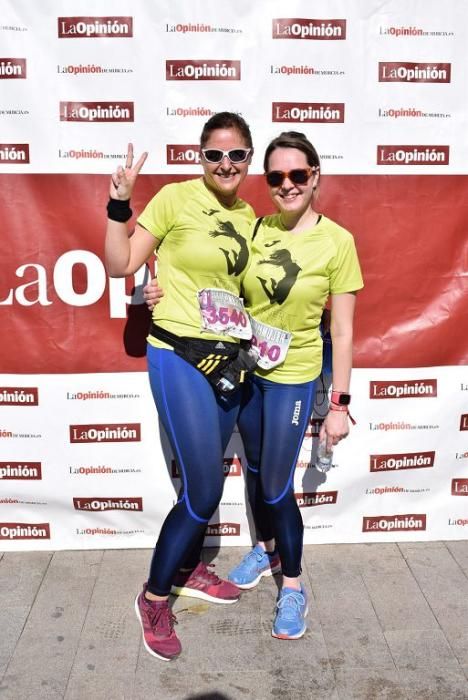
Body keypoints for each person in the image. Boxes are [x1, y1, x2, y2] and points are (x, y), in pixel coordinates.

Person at [145, 130, 363, 641]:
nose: (287, 185)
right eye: (277, 176)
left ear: (315, 177)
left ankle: (292, 585)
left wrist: (340, 403)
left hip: (290, 379)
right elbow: (216, 278)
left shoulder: (338, 241)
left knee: (274, 485)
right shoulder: (256, 226)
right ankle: (265, 550)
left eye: (298, 175)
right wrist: (153, 288)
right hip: (243, 370)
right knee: (255, 469)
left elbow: (344, 330)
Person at [104, 112, 256, 661]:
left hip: (226, 362)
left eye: (236, 155)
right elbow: (121, 261)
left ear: (248, 159)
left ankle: (191, 569)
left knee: (204, 479)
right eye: (214, 154)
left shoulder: (251, 217)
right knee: (203, 493)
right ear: (201, 157)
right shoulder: (173, 197)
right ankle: (152, 597)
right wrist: (119, 204)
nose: (225, 164)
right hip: (176, 356)